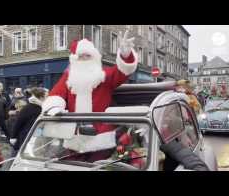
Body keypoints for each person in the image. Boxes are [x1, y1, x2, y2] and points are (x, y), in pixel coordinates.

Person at [42, 30, 138, 162]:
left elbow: (122, 71)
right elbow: (56, 94)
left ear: (95, 58)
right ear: (75, 59)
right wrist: (55, 107)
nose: (84, 59)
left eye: (88, 56)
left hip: (101, 140)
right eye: (81, 56)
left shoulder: (105, 75)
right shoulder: (68, 78)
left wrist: (125, 55)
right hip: (74, 139)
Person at [10, 87, 47, 156]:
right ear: (41, 97)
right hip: (26, 138)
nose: (47, 98)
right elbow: (18, 123)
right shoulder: (30, 108)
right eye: (45, 97)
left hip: (34, 138)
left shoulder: (42, 108)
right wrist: (13, 136)